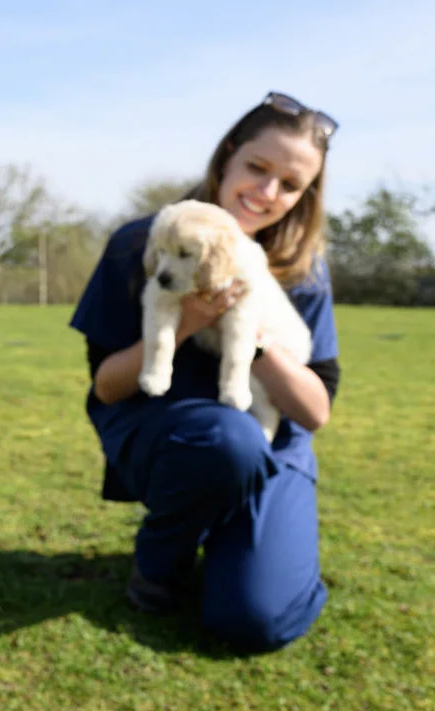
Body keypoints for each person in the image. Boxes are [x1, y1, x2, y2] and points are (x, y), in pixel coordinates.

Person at [70, 91, 341, 653]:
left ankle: (235, 536)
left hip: (274, 440)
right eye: (257, 169)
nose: (267, 193)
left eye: (290, 185)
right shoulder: (143, 243)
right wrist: (190, 318)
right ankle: (160, 560)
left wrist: (254, 335)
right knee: (225, 439)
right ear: (228, 156)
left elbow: (315, 411)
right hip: (172, 433)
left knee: (255, 620)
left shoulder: (304, 271)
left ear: (304, 195)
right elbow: (106, 385)